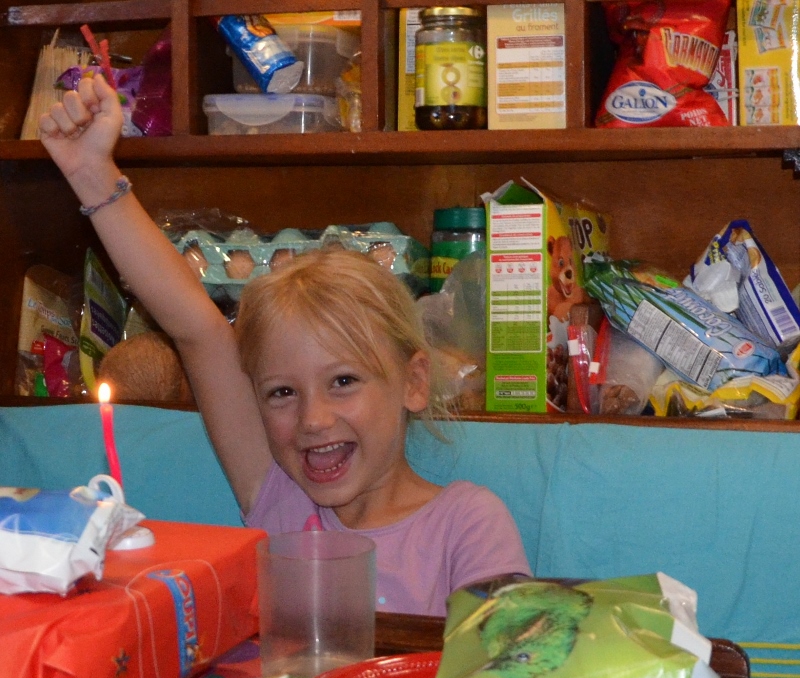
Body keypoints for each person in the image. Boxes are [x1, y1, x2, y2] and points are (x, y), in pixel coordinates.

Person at [39, 74, 532, 616]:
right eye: (281, 393)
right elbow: (197, 328)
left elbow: (506, 660)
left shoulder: (466, 522)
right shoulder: (279, 498)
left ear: (413, 383)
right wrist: (91, 173)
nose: (313, 419)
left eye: (343, 381)